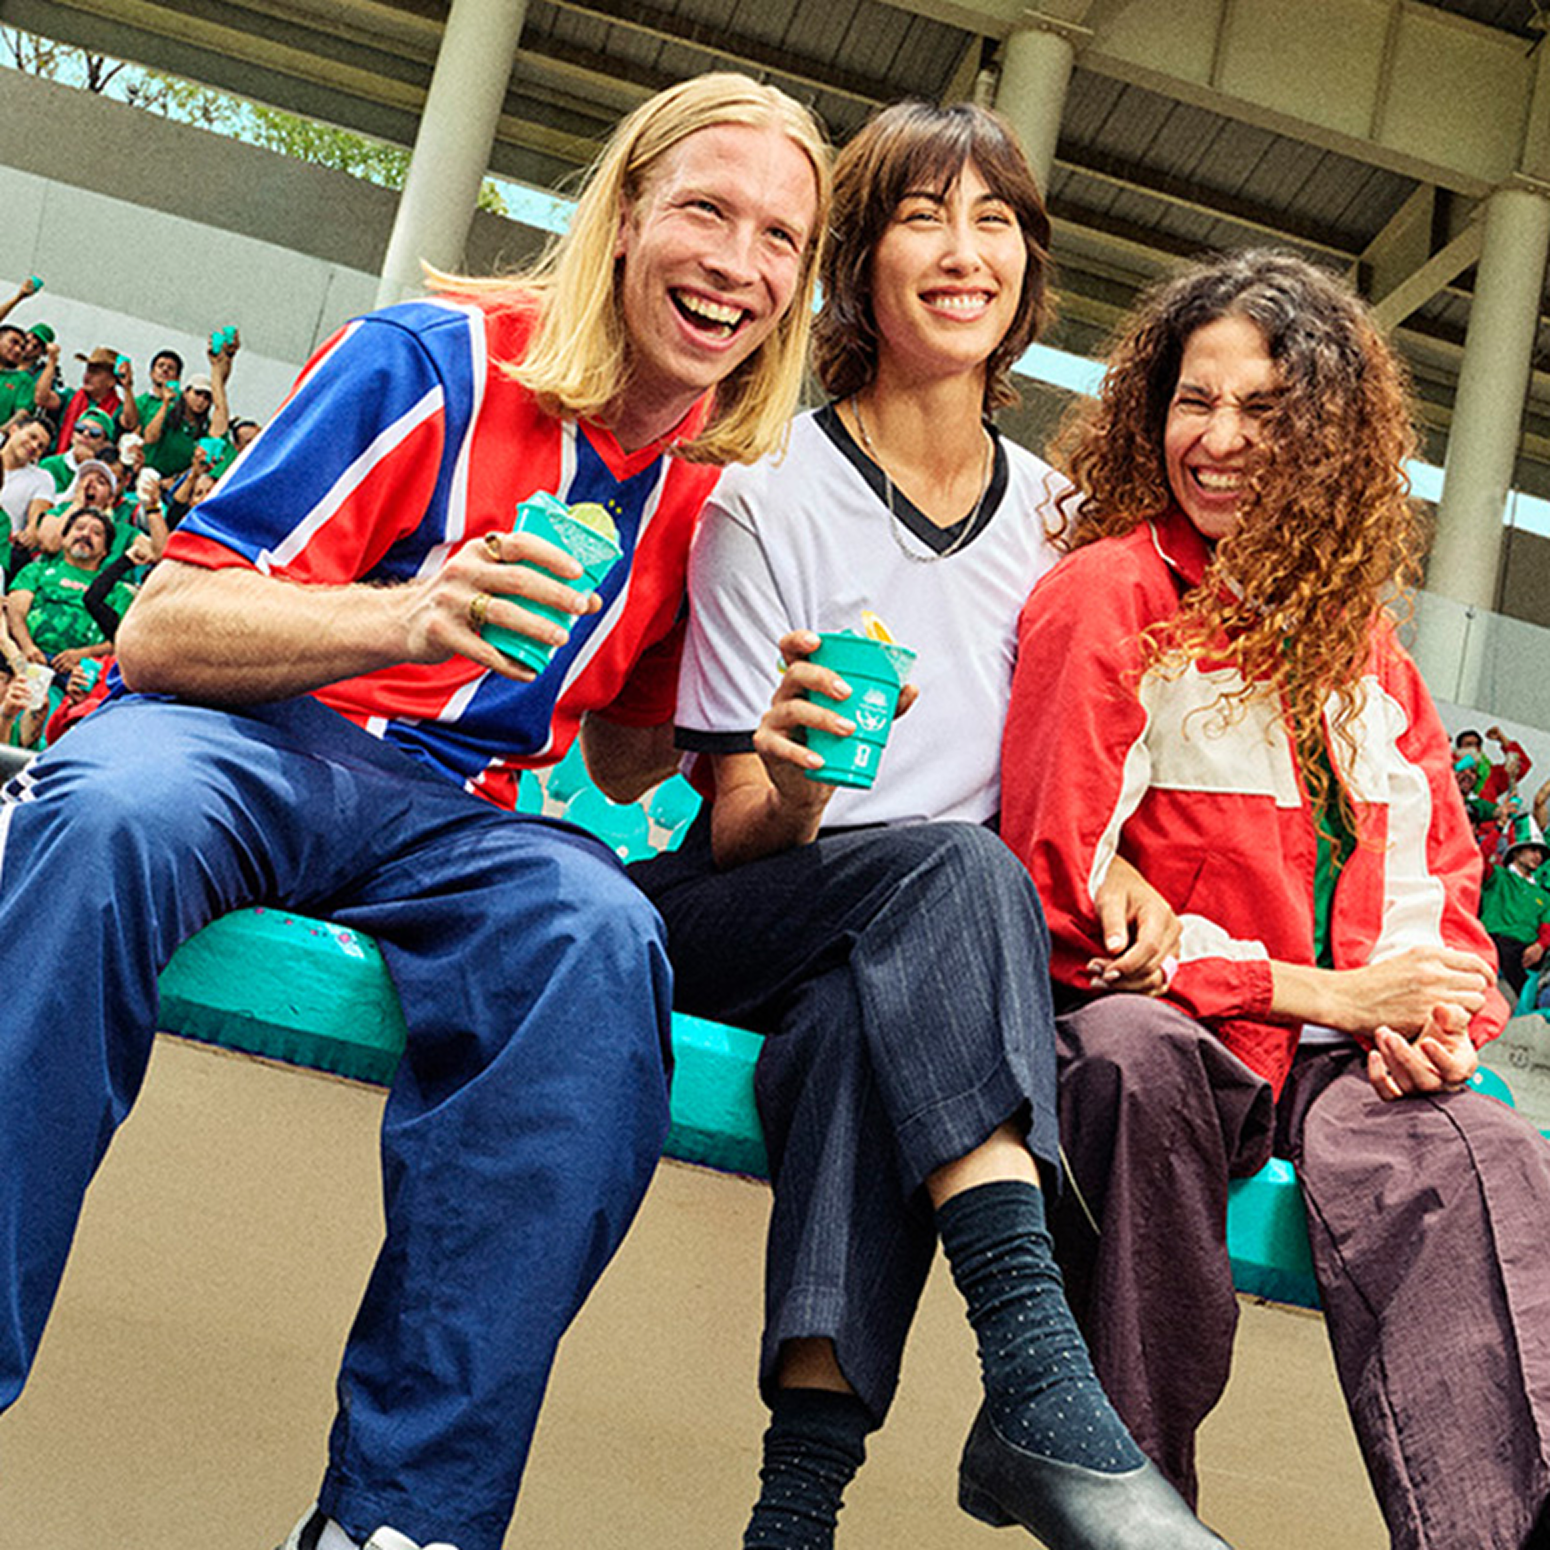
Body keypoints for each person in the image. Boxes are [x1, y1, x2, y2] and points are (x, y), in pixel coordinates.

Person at [0, 72, 829, 1550]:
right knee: (109, 815)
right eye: (706, 208)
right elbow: (160, 630)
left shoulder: (713, 490)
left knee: (596, 937)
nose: (736, 261)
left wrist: (763, 737)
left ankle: (402, 1520)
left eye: (777, 236)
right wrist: (409, 617)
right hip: (249, 738)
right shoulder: (427, 356)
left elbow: (631, 763)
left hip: (462, 817)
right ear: (625, 214)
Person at [631, 100, 1226, 1550]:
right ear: (857, 262)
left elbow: (1092, 777)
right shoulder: (764, 492)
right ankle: (1035, 1370)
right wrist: (799, 775)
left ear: (1027, 264)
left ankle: (791, 1515)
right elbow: (737, 827)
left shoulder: (1070, 524)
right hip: (754, 894)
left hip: (928, 957)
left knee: (858, 1027)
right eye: (919, 216)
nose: (962, 253)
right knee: (940, 885)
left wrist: (1129, 872)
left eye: (994, 222)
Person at [1000, 249, 1550, 1550]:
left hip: (1337, 1057)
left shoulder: (1366, 644)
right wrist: (1312, 991)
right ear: (1152, 411)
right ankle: (1124, 1493)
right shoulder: (1107, 598)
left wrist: (1430, 1018)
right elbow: (1060, 888)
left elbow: (1443, 891)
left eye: (1263, 411)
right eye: (1195, 401)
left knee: (1484, 1146)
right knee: (1132, 1072)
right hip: (1170, 1019)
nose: (1220, 438)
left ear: (1332, 443)